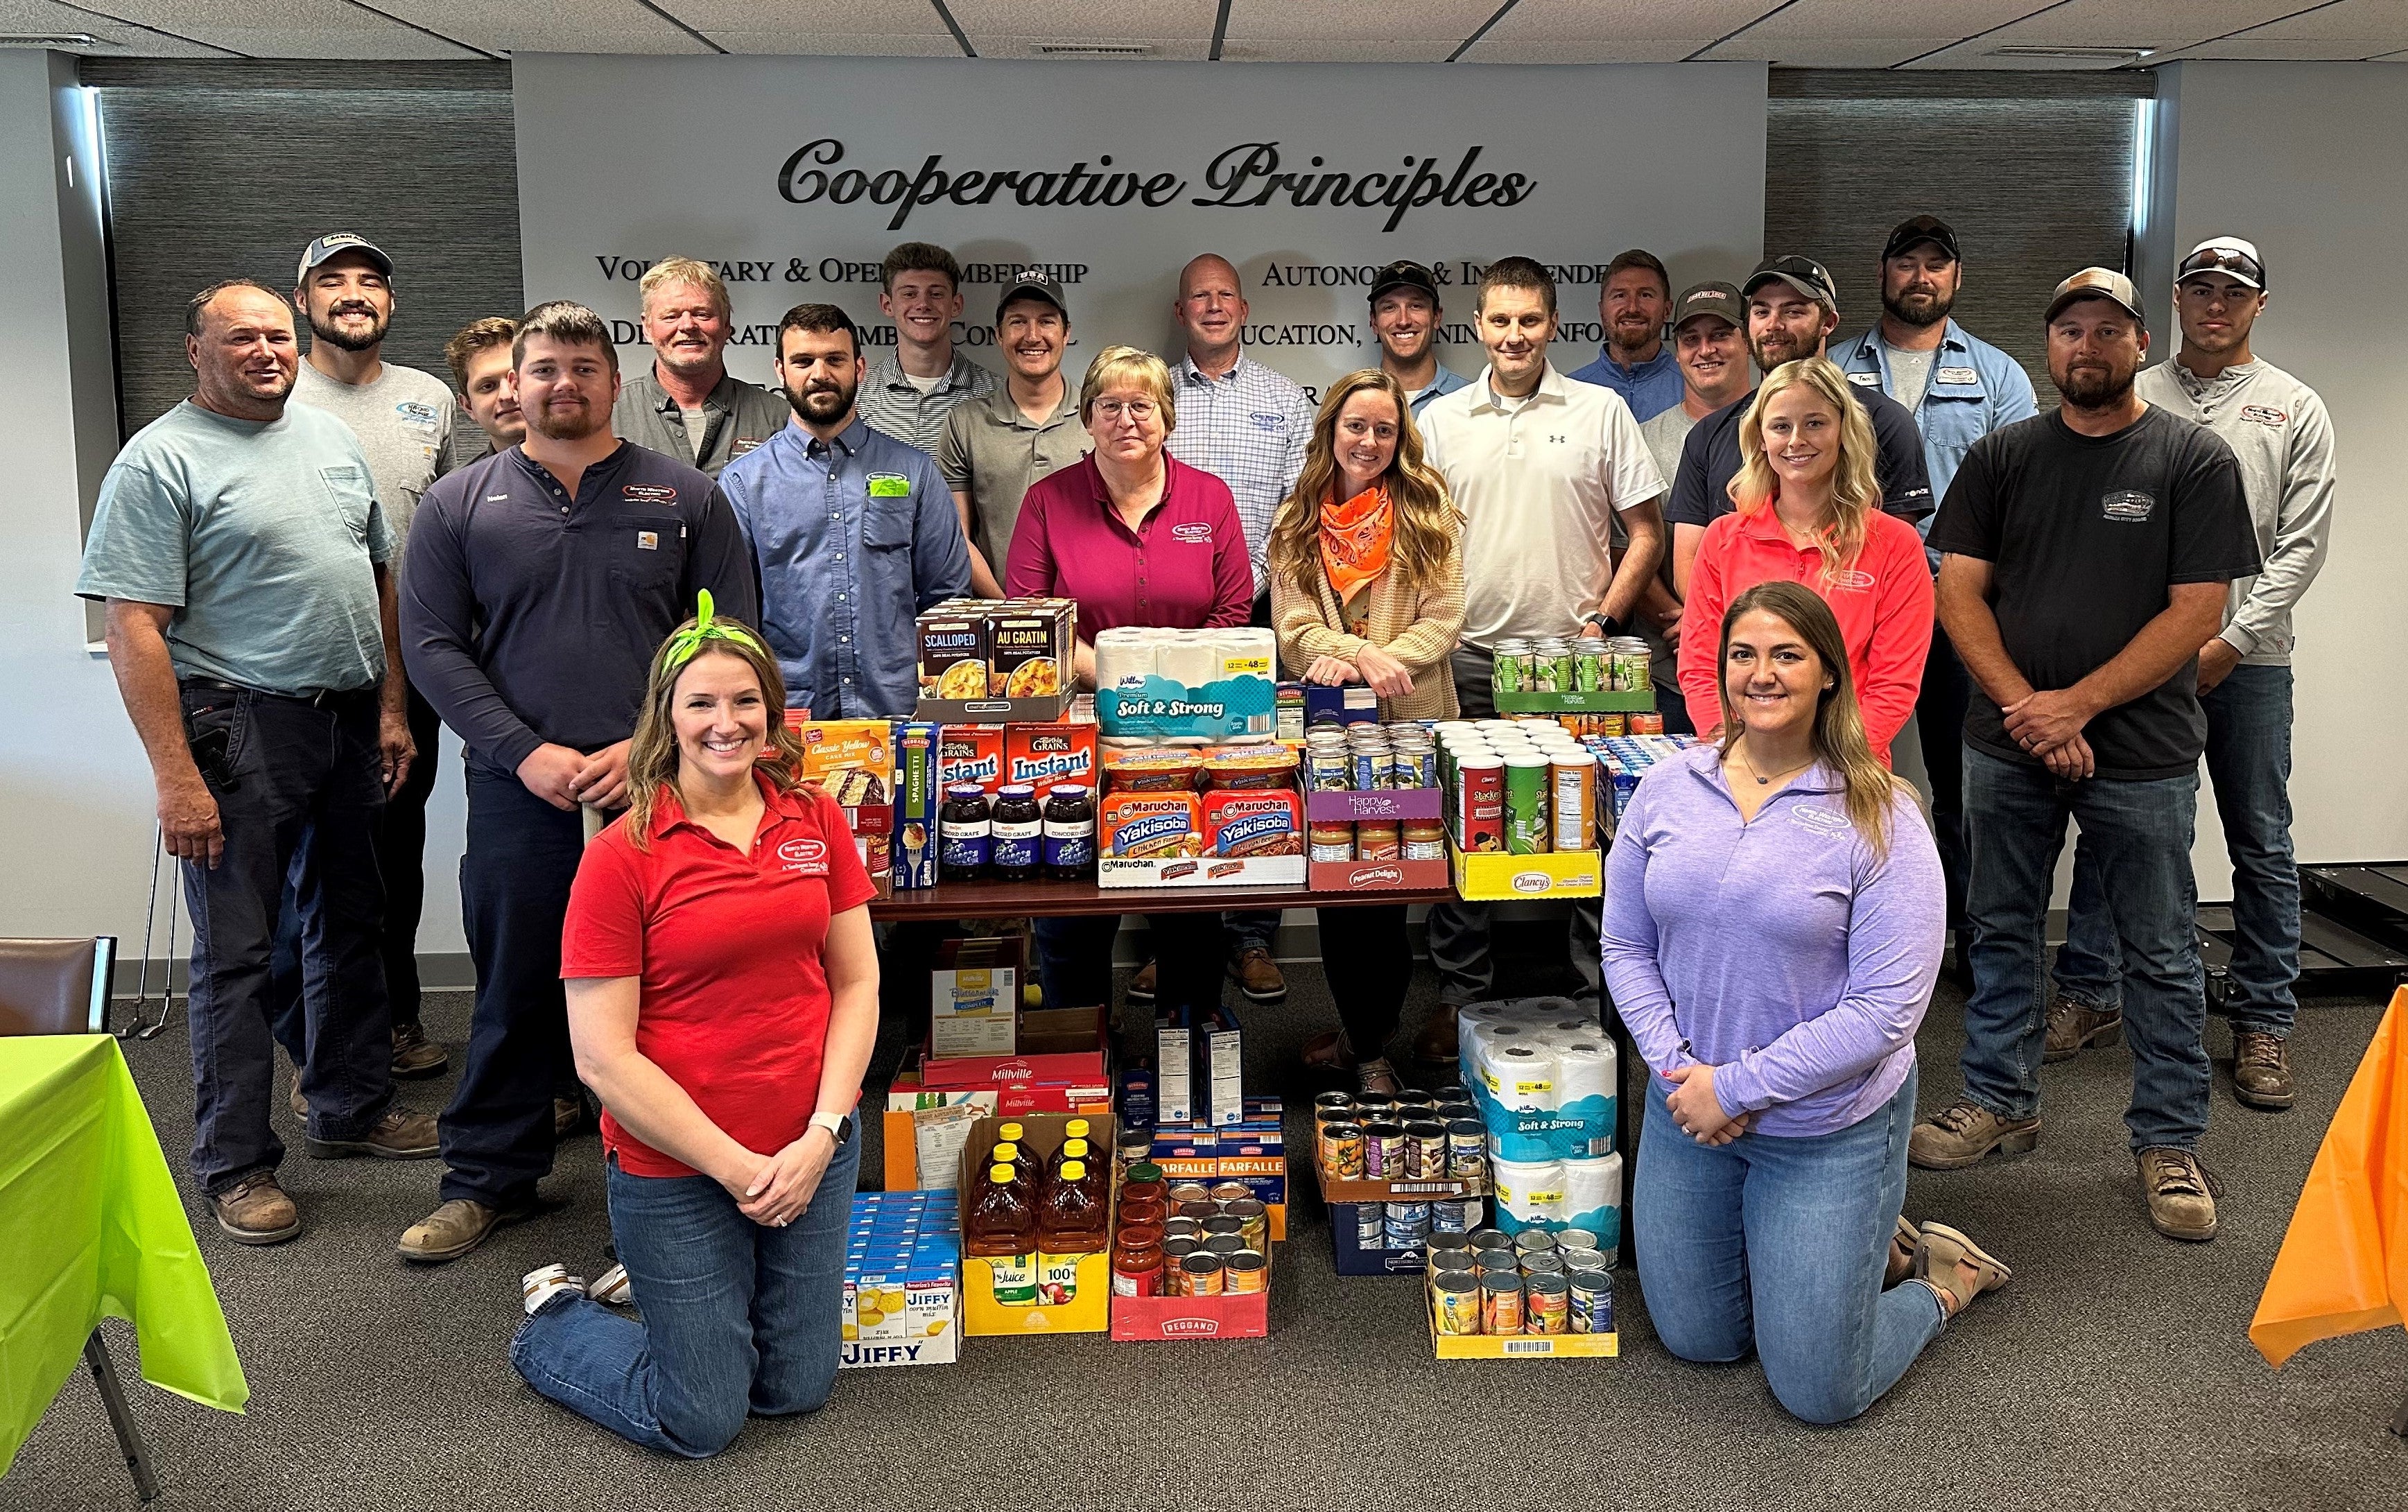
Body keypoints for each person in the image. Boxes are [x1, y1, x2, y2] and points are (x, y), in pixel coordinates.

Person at [74, 279, 435, 1244]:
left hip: (349, 718)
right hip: (237, 725)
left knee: (352, 924)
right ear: (196, 350)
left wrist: (393, 706)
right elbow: (133, 625)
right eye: (242, 338)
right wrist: (175, 774)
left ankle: (350, 1107)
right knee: (237, 956)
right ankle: (235, 1163)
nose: (267, 350)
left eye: (278, 334)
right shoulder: (159, 461)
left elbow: (376, 577)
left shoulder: (325, 438)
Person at [401, 301, 760, 1263]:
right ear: (512, 386)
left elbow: (727, 640)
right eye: (545, 368)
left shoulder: (684, 497)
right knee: (516, 984)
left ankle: (676, 1182)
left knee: (679, 991)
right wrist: (525, 751)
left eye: (584, 368)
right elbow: (432, 647)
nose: (566, 384)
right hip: (524, 793)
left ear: (614, 381)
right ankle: (488, 1179)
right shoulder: (461, 504)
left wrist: (650, 744)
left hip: (666, 791)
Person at [1910, 269, 2261, 1244]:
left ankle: (2168, 1139)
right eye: (2068, 329)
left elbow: (2198, 612)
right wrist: (2027, 707)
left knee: (2156, 949)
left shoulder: (2191, 459)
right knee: (2001, 928)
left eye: (2107, 330)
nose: (2086, 346)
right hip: (2006, 743)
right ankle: (1998, 1098)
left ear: (2141, 343)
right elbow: (1959, 593)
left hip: (2141, 748)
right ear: (2048, 347)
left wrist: (2075, 705)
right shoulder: (2003, 456)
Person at [1604, 579, 2005, 1425]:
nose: (1761, 674)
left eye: (1786, 654)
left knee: (1818, 1392)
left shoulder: (1880, 812)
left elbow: (1886, 1012)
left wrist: (1736, 1089)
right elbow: (1624, 947)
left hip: (1825, 1130)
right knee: (1699, 1340)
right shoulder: (1667, 788)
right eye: (1742, 654)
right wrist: (1684, 1076)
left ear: (1828, 672)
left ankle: (1938, 1281)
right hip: (1690, 1113)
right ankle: (1854, 1259)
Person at [512, 599, 876, 1457]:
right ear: (666, 717)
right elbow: (601, 1060)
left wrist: (822, 1134)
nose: (726, 723)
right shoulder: (623, 854)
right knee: (702, 1420)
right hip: (678, 1164)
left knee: (793, 1391)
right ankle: (557, 1318)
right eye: (702, 704)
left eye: (745, 701)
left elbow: (857, 983)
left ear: (772, 712)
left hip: (810, 1147)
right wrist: (741, 1169)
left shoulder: (814, 818)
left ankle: (704, 1314)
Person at [2048, 237, 2337, 1111]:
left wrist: (2229, 641)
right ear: (2172, 301)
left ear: (2258, 304)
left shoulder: (2293, 407)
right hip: (2136, 661)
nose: (2214, 304)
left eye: (2233, 292)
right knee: (2115, 829)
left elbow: (2300, 545)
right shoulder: (2135, 392)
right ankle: (2091, 993)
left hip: (2248, 662)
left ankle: (2261, 1020)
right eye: (2199, 289)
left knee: (2260, 839)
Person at [1416, 256, 1667, 1044]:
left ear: (1553, 324)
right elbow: (1416, 540)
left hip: (1575, 663)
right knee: (1464, 833)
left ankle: (1605, 999)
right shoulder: (1441, 422)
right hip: (1468, 658)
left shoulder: (1599, 412)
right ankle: (1460, 996)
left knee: (1593, 834)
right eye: (1499, 320)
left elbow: (1646, 534)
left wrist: (1603, 620)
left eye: (1529, 320)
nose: (1514, 335)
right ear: (1478, 327)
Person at [1005, 345, 1251, 1026]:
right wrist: (1123, 682)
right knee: (1073, 923)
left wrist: (1170, 691)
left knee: (1187, 911)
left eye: (1140, 405)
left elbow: (1232, 613)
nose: (1125, 419)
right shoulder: (1047, 502)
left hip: (1194, 733)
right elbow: (1032, 623)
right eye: (1107, 406)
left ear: (1166, 417)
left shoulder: (1210, 498)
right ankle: (1081, 1069)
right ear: (1086, 419)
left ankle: (1189, 1066)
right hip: (1080, 737)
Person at [277, 232, 456, 1084]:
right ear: (302, 300)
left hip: (404, 663)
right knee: (303, 869)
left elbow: (454, 527)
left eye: (370, 282)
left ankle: (396, 1019)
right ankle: (316, 1040)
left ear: (391, 302)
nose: (354, 294)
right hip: (296, 664)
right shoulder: (276, 390)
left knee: (393, 850)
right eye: (334, 281)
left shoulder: (429, 397)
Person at [1835, 216, 2040, 944]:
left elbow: (2024, 499)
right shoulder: (1831, 372)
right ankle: (1858, 928)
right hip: (1856, 602)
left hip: (1961, 607)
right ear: (1881, 272)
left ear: (1955, 277)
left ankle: (1972, 938)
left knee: (1966, 781)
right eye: (1905, 263)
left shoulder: (1997, 376)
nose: (1919, 277)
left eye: (1935, 264)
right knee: (1843, 762)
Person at [1267, 370, 1466, 1094]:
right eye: (1356, 426)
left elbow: (1444, 618)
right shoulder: (1295, 517)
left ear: (1400, 437)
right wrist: (1362, 654)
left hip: (1410, 727)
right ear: (1331, 430)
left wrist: (1382, 663)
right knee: (1337, 896)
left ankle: (1369, 1046)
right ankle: (1362, 1038)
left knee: (1389, 893)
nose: (1369, 441)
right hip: (1328, 739)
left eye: (1384, 429)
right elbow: (1292, 629)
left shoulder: (1426, 509)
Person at [1161, 252, 1313, 1006]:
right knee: (1166, 769)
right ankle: (1174, 931)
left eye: (1225, 296)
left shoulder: (1285, 400)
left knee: (1257, 773)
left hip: (1258, 612)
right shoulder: (1152, 397)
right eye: (1199, 297)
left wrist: (1241, 590)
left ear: (1244, 309)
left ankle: (1251, 938)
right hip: (1168, 620)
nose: (1213, 307)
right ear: (1180, 311)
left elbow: (1294, 515)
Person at [1676, 358, 1934, 766]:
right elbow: (1701, 664)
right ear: (1760, 438)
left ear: (1844, 432)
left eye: (1815, 423)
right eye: (1781, 426)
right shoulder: (1722, 540)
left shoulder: (1894, 543)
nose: (1796, 440)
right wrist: (1732, 751)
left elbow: (1895, 682)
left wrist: (1828, 765)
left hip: (1848, 767)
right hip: (1740, 763)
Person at [720, 303, 969, 718]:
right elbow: (734, 620)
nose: (820, 374)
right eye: (803, 361)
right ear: (781, 371)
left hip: (900, 709)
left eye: (835, 359)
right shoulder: (744, 484)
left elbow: (947, 601)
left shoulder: (913, 470)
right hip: (791, 713)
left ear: (860, 367)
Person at [1668, 256, 1932, 598]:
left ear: (1829, 322)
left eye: (1793, 311)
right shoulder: (1708, 435)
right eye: (1762, 311)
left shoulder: (1885, 423)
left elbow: (1894, 566)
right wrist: (1737, 635)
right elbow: (1689, 570)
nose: (1773, 324)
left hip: (1845, 635)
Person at [1630, 280, 1751, 733]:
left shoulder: (1782, 434)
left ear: (1747, 341)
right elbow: (1626, 548)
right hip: (1672, 669)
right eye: (1690, 339)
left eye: (1720, 335)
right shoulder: (1642, 439)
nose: (1705, 350)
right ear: (1676, 351)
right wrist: (1692, 624)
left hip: (1770, 667)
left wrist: (1729, 629)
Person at [938, 270, 1089, 599]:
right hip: (998, 616)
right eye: (1018, 322)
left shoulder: (1101, 417)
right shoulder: (966, 422)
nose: (1032, 336)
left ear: (1066, 334)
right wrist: (1008, 608)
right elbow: (958, 537)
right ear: (999, 335)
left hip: (1089, 620)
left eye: (1047, 321)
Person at [612, 257, 788, 478]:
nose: (687, 326)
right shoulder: (609, 415)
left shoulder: (779, 419)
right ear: (647, 328)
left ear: (726, 326)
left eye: (702, 314)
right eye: (671, 316)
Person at [858, 242, 996, 453]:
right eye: (909, 294)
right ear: (887, 305)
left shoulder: (995, 393)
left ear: (956, 305)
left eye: (936, 294)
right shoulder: (858, 395)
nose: (923, 304)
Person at [1569, 249, 1683, 422]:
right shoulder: (1570, 391)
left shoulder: (1694, 389)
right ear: (1602, 311)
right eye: (1620, 296)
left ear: (1667, 310)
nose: (1632, 308)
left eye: (1646, 295)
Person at [1367, 260, 1467, 415]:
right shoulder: (1350, 402)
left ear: (1436, 317)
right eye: (1389, 307)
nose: (1403, 321)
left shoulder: (1470, 400)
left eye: (1416, 306)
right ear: (1374, 322)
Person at [444, 315, 524, 467]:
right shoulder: (457, 489)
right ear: (468, 406)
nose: (507, 395)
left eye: (517, 380)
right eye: (488, 386)